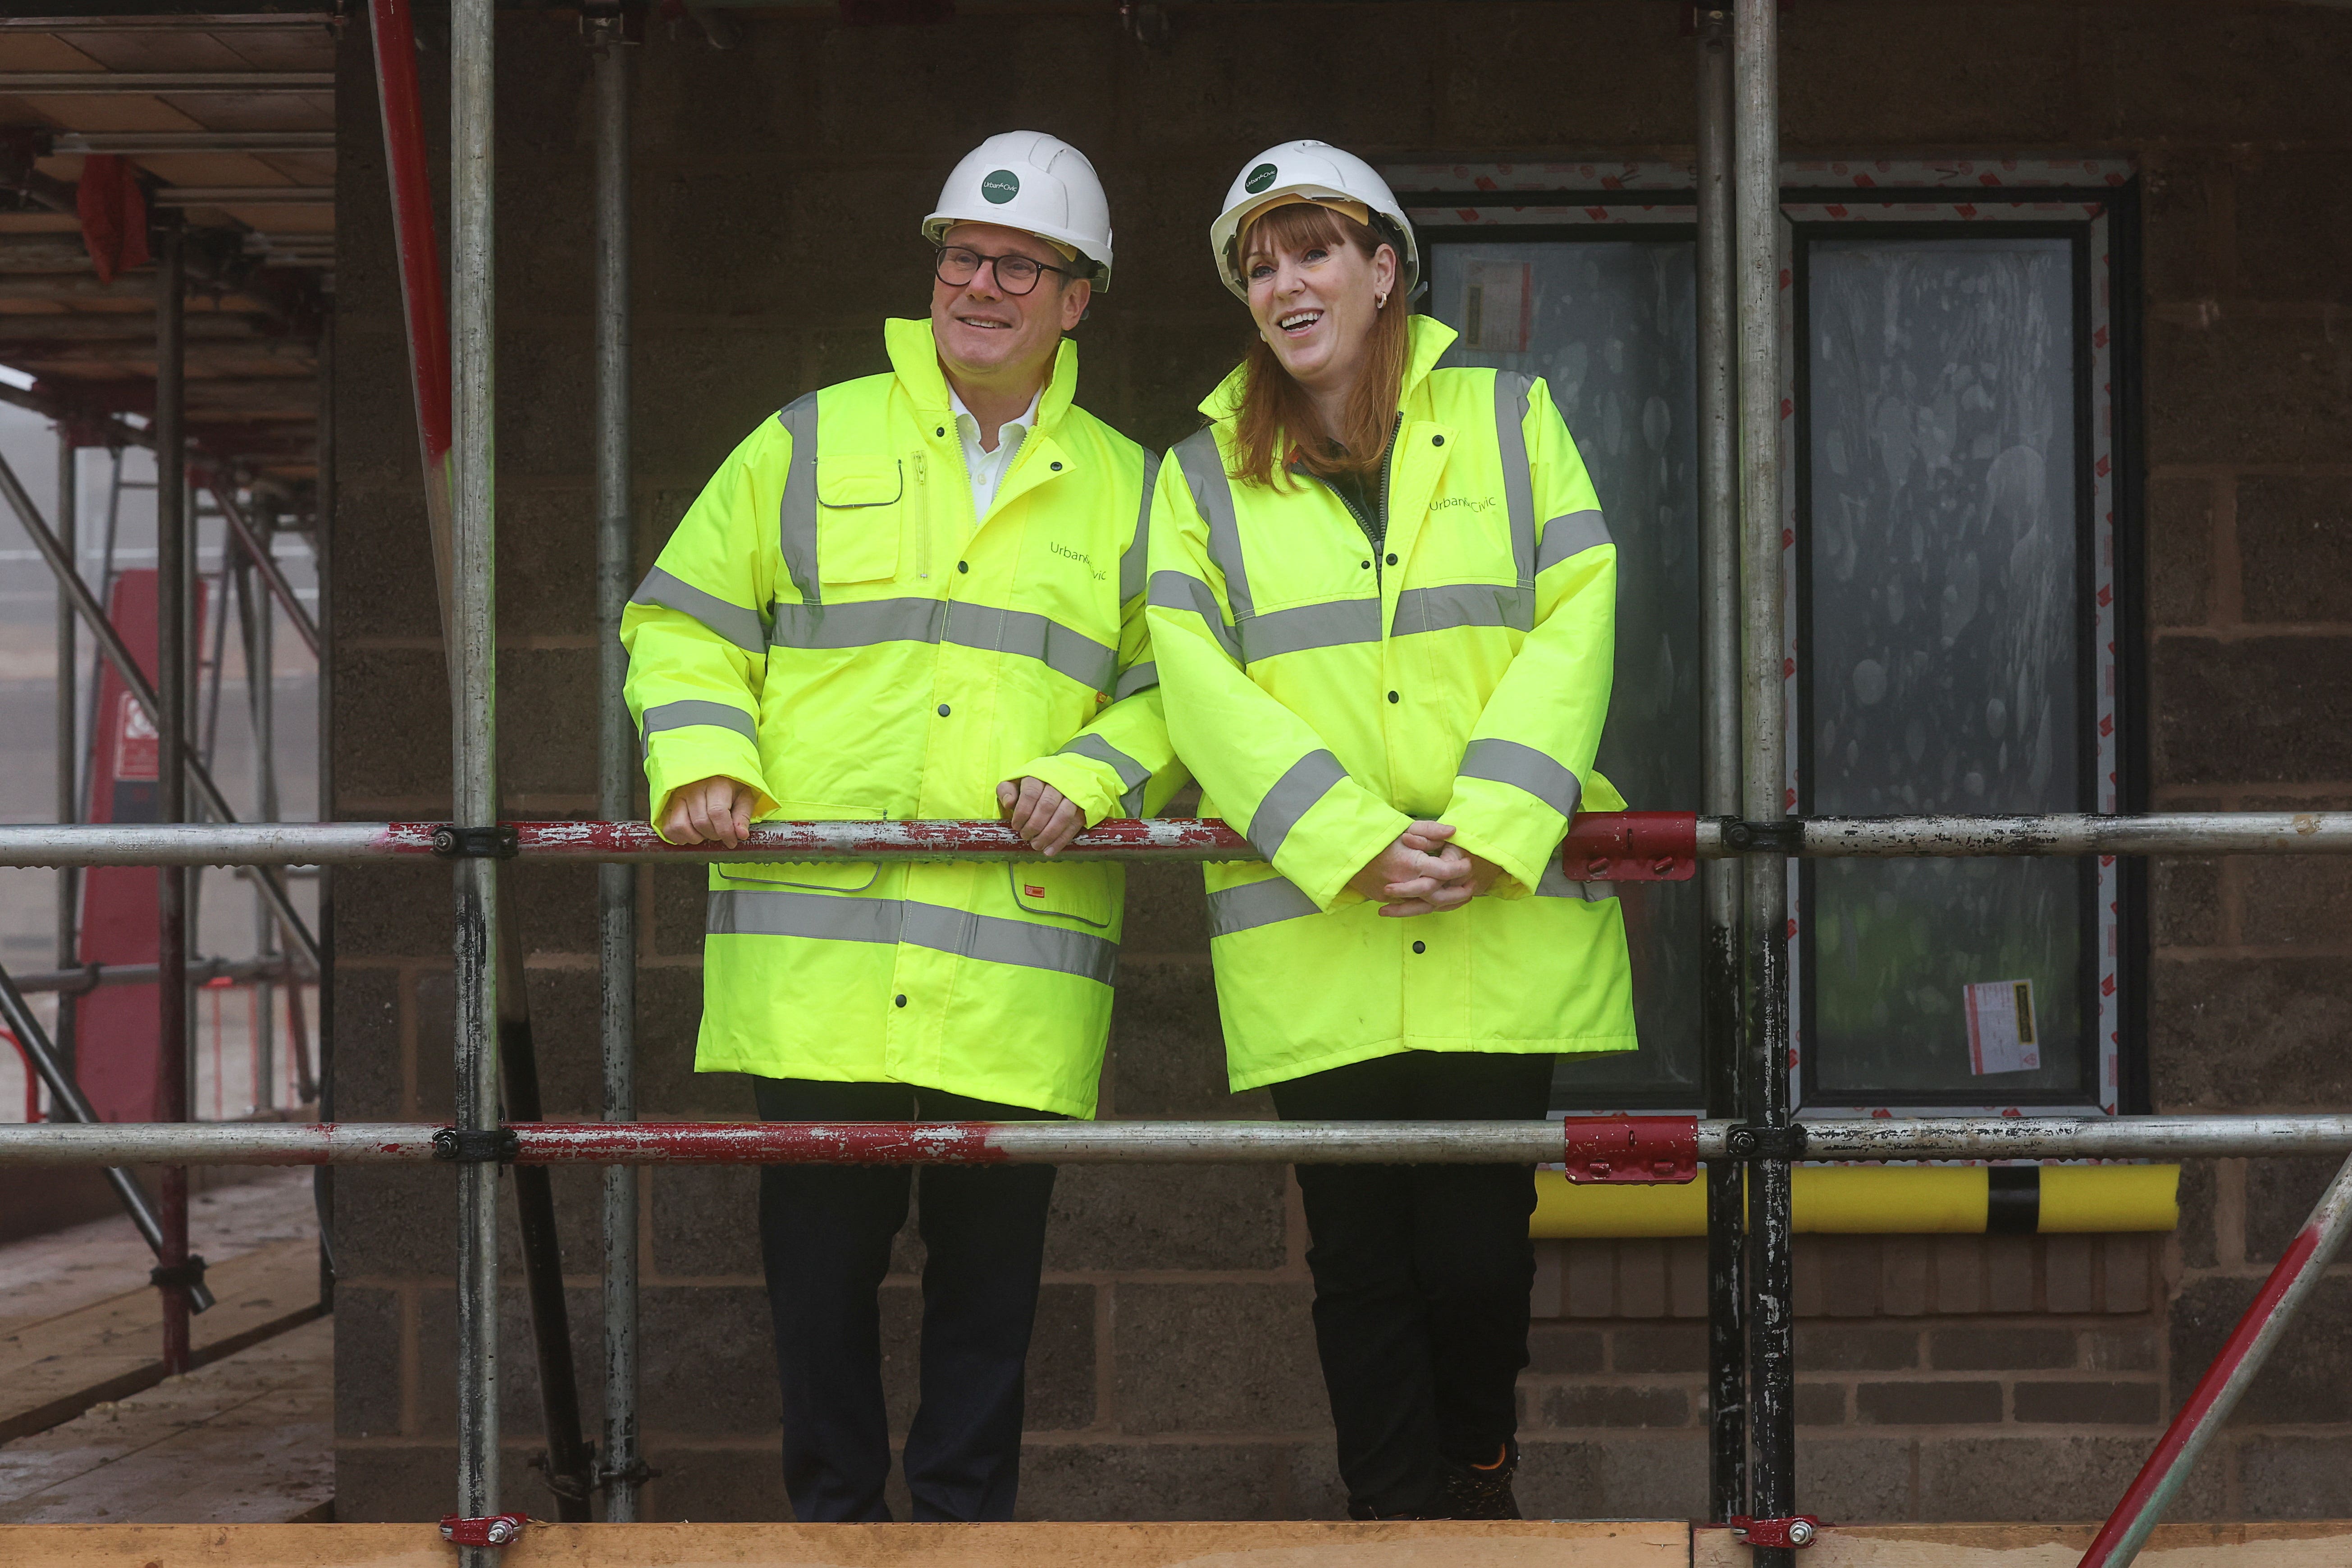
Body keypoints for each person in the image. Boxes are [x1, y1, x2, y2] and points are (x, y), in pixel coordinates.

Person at [621, 131, 1182, 1524]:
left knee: (988, 1323)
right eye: (961, 256)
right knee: (815, 1309)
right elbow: (681, 622)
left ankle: (962, 1548)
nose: (979, 285)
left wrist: (1100, 774)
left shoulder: (1134, 488)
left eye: (1018, 264)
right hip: (815, 983)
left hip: (1011, 980)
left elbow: (1181, 686)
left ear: (1076, 299)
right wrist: (701, 754)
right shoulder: (807, 440)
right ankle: (833, 1542)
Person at [1144, 140, 1637, 1521]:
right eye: (1258, 266)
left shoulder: (1506, 418)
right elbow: (1196, 678)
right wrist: (1346, 839)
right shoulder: (1197, 477)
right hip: (1322, 924)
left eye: (1310, 253)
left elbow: (1579, 607)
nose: (1284, 283)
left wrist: (1489, 824)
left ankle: (1475, 1474)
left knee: (1478, 1247)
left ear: (1382, 269)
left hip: (1497, 914)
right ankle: (1392, 1524)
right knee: (1357, 1257)